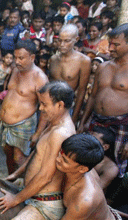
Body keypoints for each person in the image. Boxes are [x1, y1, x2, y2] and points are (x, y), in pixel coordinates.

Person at [0, 81, 76, 220]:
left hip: (45, 204)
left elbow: (46, 176)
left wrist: (16, 199)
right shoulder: (54, 124)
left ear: (60, 105)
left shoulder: (61, 133)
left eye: (44, 104)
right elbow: (37, 152)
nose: (40, 109)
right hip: (34, 193)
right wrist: (18, 172)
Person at [40, 134, 128, 220]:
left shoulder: (84, 200)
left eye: (65, 160)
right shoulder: (81, 171)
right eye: (61, 153)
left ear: (82, 169)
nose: (58, 159)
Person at [79, 24, 128, 179]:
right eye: (110, 43)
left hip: (121, 125)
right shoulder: (103, 66)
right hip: (96, 122)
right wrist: (83, 122)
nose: (111, 48)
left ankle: (104, 201)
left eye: (116, 44)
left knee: (114, 167)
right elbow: (93, 96)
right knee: (86, 162)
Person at [0, 40, 48, 175]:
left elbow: (45, 108)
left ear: (32, 58)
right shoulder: (15, 70)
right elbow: (12, 93)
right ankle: (10, 180)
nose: (17, 61)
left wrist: (38, 133)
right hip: (6, 123)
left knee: (19, 159)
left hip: (23, 124)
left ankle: (26, 188)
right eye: (15, 57)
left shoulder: (40, 78)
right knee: (8, 154)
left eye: (21, 58)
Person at [49, 24, 91, 123]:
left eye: (67, 41)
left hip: (68, 107)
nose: (62, 44)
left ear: (76, 39)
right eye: (60, 40)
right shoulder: (53, 59)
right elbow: (49, 85)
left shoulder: (83, 61)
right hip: (50, 105)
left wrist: (74, 117)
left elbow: (81, 91)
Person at [90, 126, 119, 192]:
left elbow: (95, 190)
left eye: (93, 140)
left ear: (105, 147)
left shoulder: (111, 168)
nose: (88, 141)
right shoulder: (80, 152)